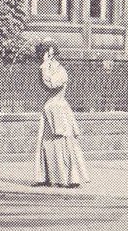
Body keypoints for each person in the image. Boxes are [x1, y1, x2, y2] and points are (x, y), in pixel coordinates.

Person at [32, 41, 90, 189]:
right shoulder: (46, 68)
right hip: (49, 110)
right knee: (46, 144)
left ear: (50, 52)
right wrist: (45, 66)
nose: (41, 56)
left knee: (64, 144)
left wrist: (45, 65)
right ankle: (46, 177)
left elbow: (51, 84)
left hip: (59, 111)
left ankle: (71, 179)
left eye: (44, 52)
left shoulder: (61, 71)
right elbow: (45, 84)